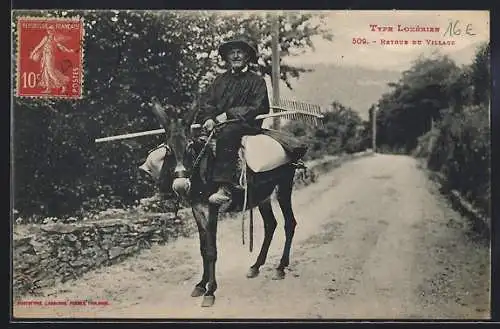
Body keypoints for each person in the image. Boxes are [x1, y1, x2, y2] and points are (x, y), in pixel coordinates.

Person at [196, 35, 270, 204]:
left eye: (240, 53)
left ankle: (225, 187)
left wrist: (228, 115)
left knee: (227, 134)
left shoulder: (257, 81)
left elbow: (258, 107)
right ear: (227, 58)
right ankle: (196, 186)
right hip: (219, 125)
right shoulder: (220, 81)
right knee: (196, 141)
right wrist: (208, 118)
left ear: (247, 57)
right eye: (232, 53)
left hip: (245, 125)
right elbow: (208, 103)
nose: (236, 56)